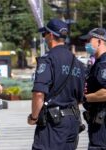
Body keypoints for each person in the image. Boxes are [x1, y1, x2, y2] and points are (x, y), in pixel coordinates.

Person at [27, 18, 85, 150]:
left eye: (44, 34)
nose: (44, 37)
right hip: (72, 122)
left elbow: (39, 93)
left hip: (53, 125)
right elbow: (81, 98)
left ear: (51, 35)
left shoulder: (48, 59)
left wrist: (34, 117)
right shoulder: (77, 63)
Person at [80, 28, 106, 149]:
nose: (86, 44)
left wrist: (84, 98)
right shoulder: (98, 62)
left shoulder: (104, 64)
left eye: (88, 40)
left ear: (100, 42)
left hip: (103, 126)